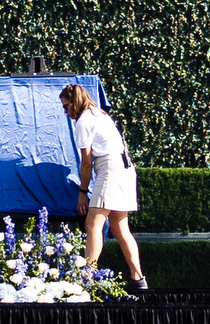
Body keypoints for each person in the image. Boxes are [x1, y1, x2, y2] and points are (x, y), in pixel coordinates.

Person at [59, 83, 146, 290]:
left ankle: (86, 278)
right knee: (120, 227)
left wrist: (82, 192)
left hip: (110, 170)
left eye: (66, 106)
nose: (65, 111)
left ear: (74, 102)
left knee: (93, 225)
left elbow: (87, 163)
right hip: (125, 169)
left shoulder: (83, 121)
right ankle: (138, 279)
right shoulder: (101, 115)